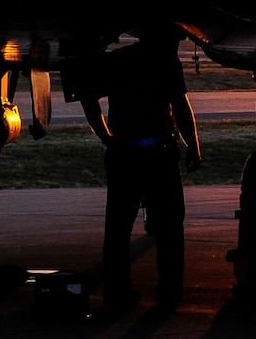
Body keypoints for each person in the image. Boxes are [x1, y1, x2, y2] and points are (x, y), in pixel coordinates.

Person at [78, 33, 202, 312]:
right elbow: (181, 108)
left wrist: (107, 138)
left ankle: (117, 294)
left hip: (123, 154)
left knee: (117, 231)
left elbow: (88, 99)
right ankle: (169, 294)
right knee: (170, 228)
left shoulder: (118, 60)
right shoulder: (166, 62)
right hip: (159, 154)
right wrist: (193, 146)